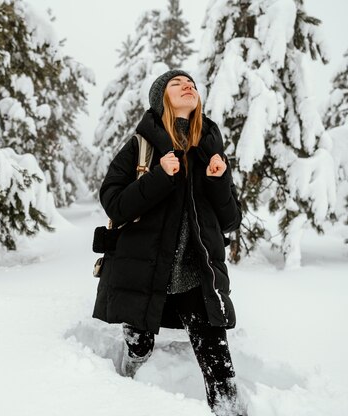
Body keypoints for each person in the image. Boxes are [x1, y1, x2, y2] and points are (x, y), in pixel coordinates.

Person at [92, 69, 244, 416]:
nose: (187, 85)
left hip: (195, 274)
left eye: (190, 83)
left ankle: (231, 412)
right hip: (144, 273)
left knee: (218, 364)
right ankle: (121, 391)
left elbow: (231, 221)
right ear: (162, 98)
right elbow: (114, 202)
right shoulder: (140, 146)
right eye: (177, 83)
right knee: (140, 346)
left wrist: (219, 182)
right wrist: (160, 175)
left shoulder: (210, 151)